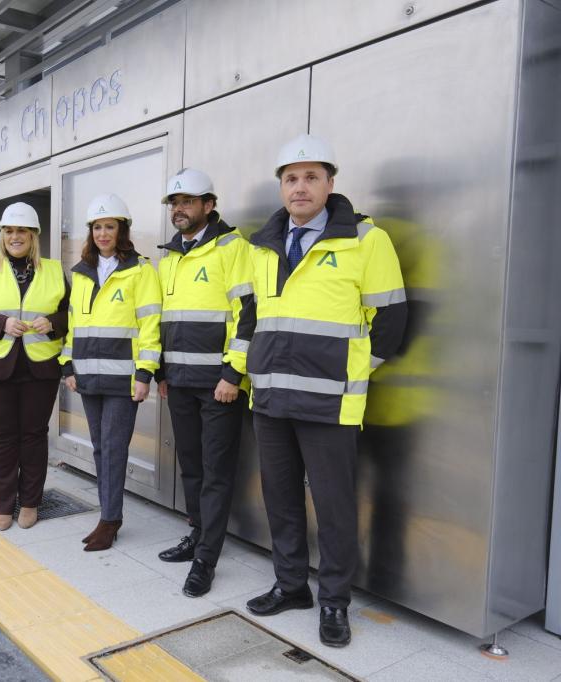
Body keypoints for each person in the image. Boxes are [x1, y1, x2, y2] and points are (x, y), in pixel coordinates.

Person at [244, 134, 407, 647]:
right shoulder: (261, 246)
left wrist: (350, 372)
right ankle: (291, 585)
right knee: (282, 499)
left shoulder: (365, 240)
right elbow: (250, 316)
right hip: (270, 396)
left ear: (330, 183)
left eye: (311, 176)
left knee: (334, 506)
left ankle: (334, 601)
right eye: (291, 178)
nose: (300, 187)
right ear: (281, 188)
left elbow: (392, 320)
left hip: (330, 400)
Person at [154, 169, 255, 598]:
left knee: (216, 471)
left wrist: (233, 372)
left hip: (219, 385)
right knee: (191, 466)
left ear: (209, 205)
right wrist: (161, 371)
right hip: (178, 381)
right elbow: (161, 318)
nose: (180, 208)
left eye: (188, 201)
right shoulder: (170, 257)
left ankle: (207, 558)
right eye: (174, 202)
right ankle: (197, 533)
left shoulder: (233, 248)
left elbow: (248, 315)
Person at [60, 193, 161, 551]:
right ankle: (107, 512)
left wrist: (145, 373)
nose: (104, 233)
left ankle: (110, 519)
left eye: (110, 227)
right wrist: (68, 365)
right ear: (91, 232)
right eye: (98, 227)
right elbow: (73, 325)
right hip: (87, 375)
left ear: (122, 230)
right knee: (100, 448)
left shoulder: (141, 270)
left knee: (114, 447)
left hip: (122, 378)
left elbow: (151, 325)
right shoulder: (81, 273)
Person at [0, 203, 69, 531]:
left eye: (22, 231)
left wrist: (51, 322)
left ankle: (31, 502)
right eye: (9, 231)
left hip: (40, 368)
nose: (15, 237)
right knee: (3, 438)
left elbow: (72, 315)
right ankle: (4, 504)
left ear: (34, 235)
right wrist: (2, 323)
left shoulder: (54, 269)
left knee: (34, 437)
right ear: (2, 235)